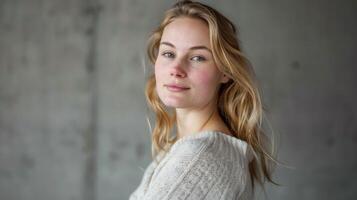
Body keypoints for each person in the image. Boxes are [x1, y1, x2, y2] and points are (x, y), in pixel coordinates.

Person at [129, 1, 277, 199]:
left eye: (197, 57)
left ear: (225, 71)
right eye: (168, 53)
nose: (176, 69)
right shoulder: (187, 149)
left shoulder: (203, 157)